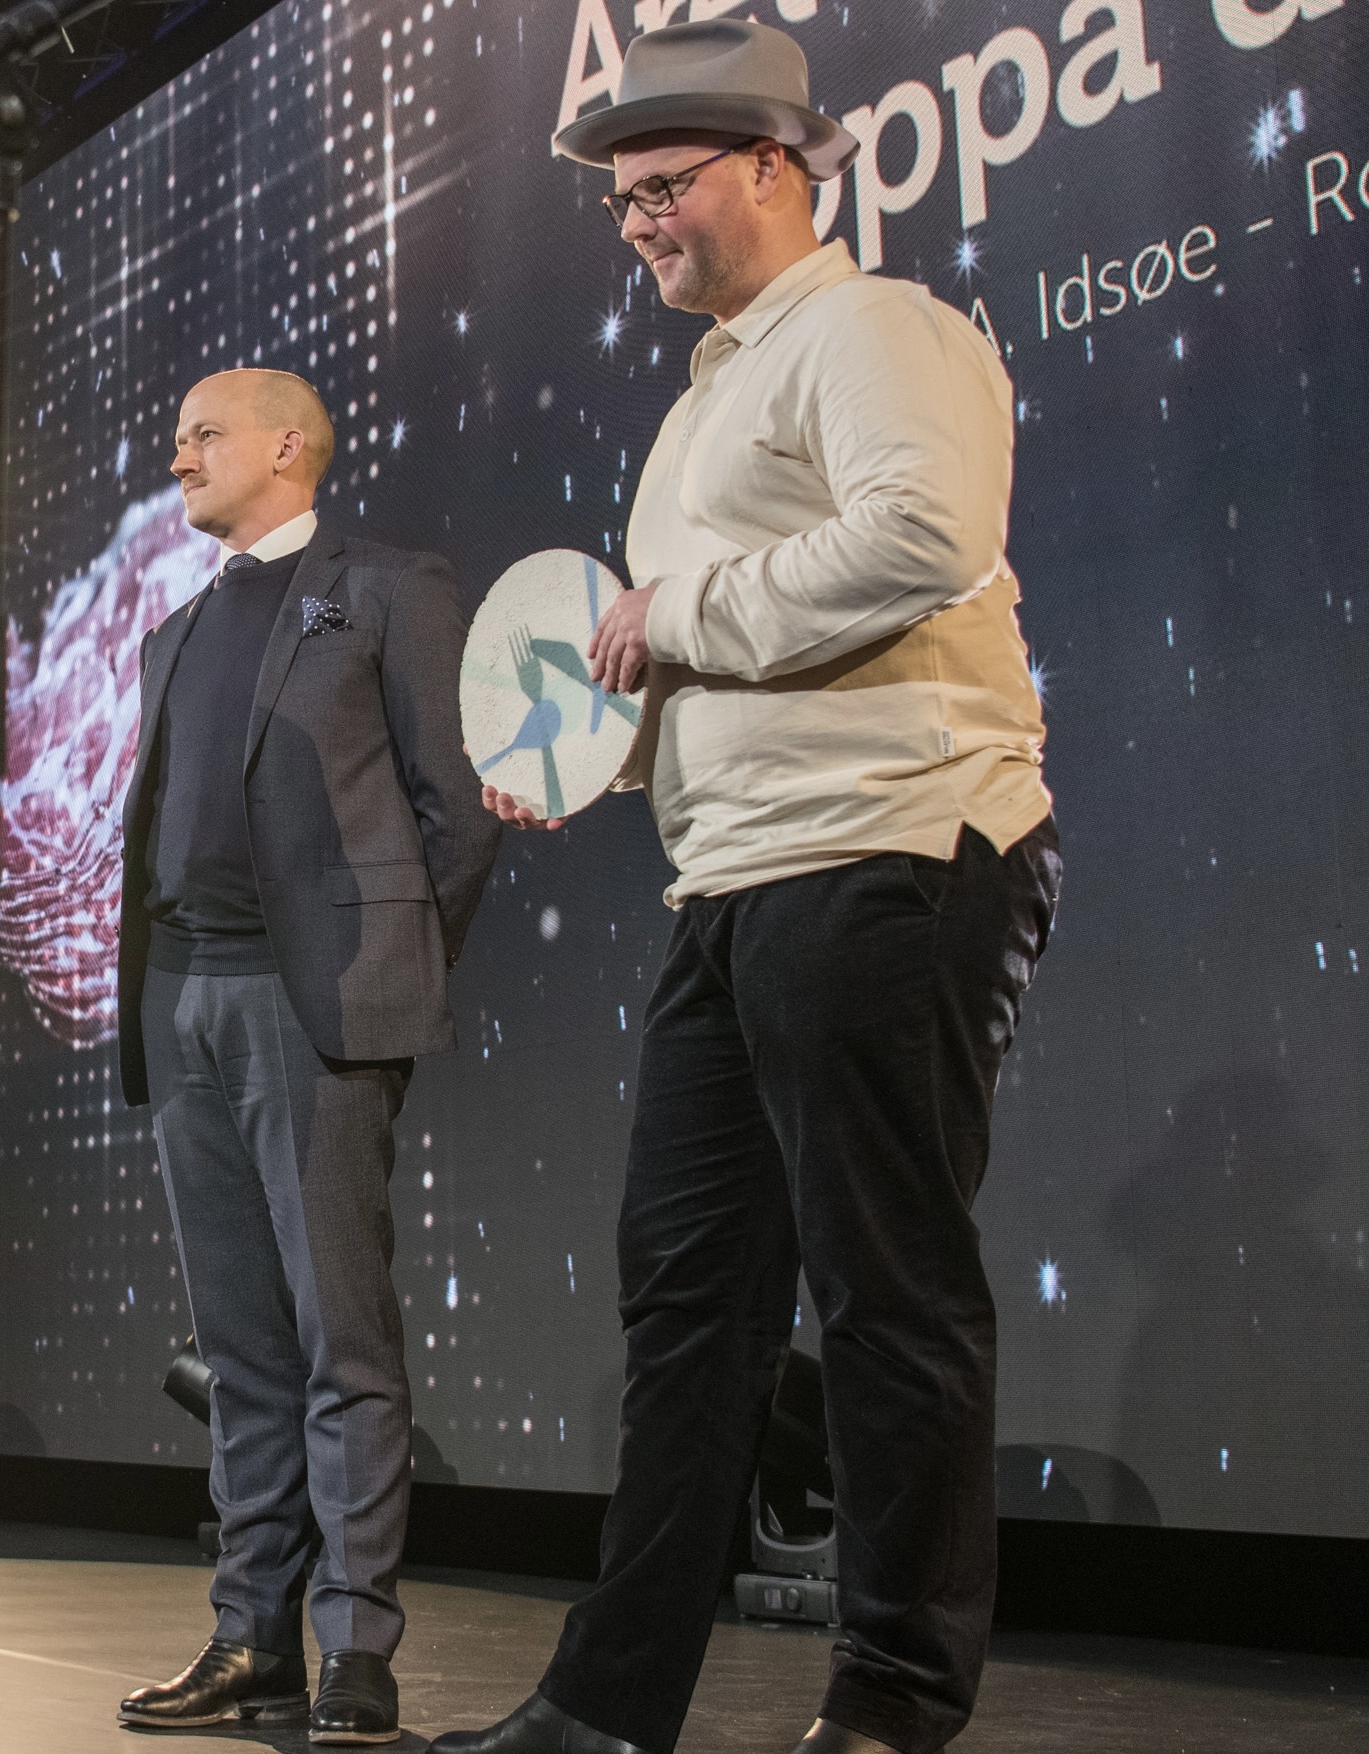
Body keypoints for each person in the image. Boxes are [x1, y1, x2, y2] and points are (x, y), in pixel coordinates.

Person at [433, 23, 1058, 1754]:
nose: (635, 221)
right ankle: (602, 1703)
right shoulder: (702, 400)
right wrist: (592, 750)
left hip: (887, 848)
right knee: (685, 1302)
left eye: (663, 185)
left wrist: (675, 618)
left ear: (775, 166)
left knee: (882, 1288)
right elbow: (704, 650)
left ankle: (890, 1701)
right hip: (735, 881)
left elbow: (922, 537)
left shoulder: (875, 328)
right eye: (619, 199)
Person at [112, 370, 497, 1745]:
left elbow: (455, 806)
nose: (179, 454)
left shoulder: (385, 587)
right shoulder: (173, 630)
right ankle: (249, 1636)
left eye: (203, 434)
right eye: (176, 437)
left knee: (342, 1336)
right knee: (240, 1348)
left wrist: (385, 965)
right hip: (183, 998)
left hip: (309, 1001)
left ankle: (355, 1646)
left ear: (287, 444)